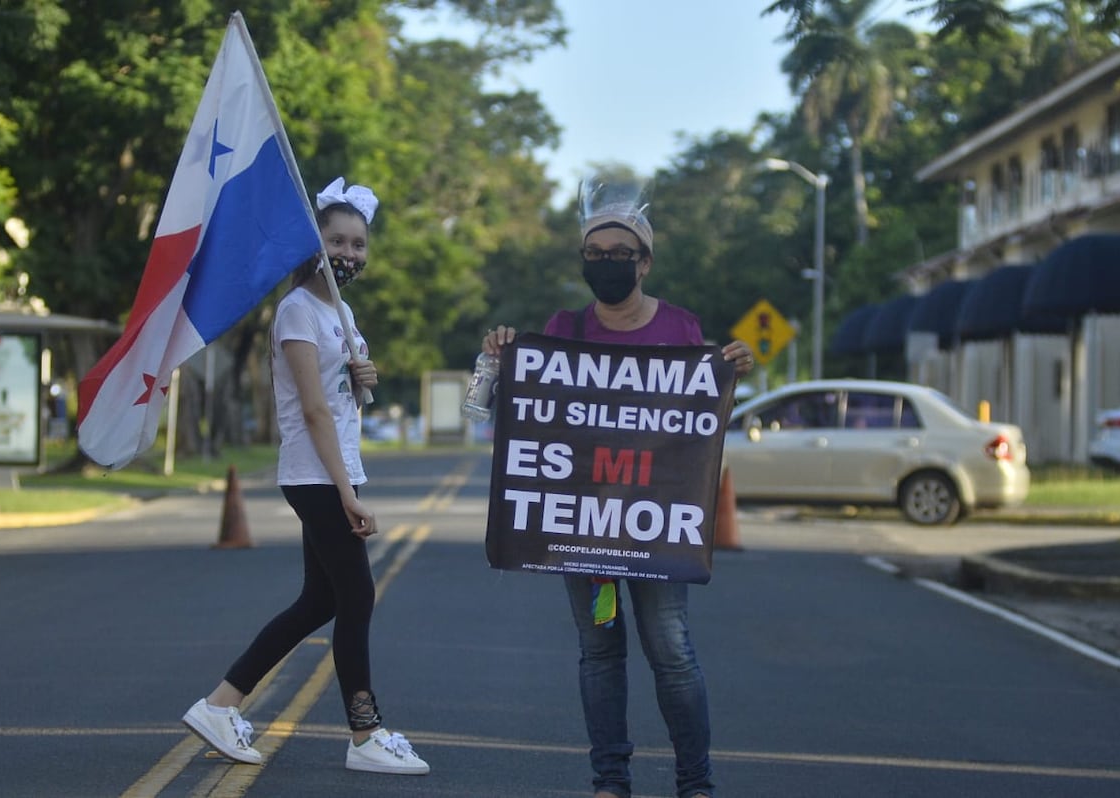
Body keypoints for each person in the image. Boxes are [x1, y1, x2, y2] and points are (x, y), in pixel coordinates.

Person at [482, 188, 755, 798]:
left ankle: (696, 783)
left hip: (656, 523)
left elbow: (697, 429)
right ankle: (611, 780)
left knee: (672, 652)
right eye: (593, 252)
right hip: (581, 524)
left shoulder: (681, 326)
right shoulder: (563, 329)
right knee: (599, 654)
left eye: (619, 252)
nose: (606, 261)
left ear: (645, 261)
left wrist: (733, 371)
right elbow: (523, 416)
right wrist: (500, 358)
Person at [181, 177, 429, 776]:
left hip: (333, 469)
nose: (349, 254)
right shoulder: (297, 311)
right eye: (337, 241)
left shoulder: (339, 311)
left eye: (358, 245)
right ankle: (365, 734)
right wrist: (347, 494)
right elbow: (311, 411)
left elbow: (338, 401)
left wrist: (364, 383)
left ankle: (221, 705)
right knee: (358, 596)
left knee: (321, 598)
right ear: (311, 244)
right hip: (316, 475)